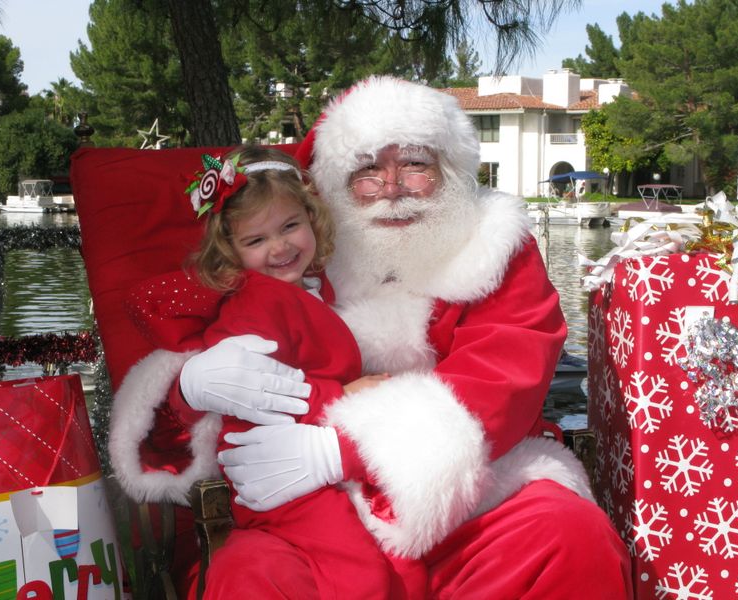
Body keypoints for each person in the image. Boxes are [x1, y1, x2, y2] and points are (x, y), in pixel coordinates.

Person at [111, 76, 632, 598]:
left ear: (448, 168)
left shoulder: (494, 249)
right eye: (367, 170)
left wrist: (342, 447)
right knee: (248, 573)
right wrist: (192, 384)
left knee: (568, 534)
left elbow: (503, 382)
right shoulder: (295, 252)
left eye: (414, 164)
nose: (392, 187)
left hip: (471, 495)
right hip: (315, 510)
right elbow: (205, 345)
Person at [122, 146, 397, 597]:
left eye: (290, 226)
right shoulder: (257, 302)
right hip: (276, 475)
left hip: (310, 468)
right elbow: (257, 391)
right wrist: (341, 396)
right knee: (359, 572)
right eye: (256, 240)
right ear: (229, 251)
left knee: (383, 559)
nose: (280, 247)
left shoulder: (313, 287)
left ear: (313, 218)